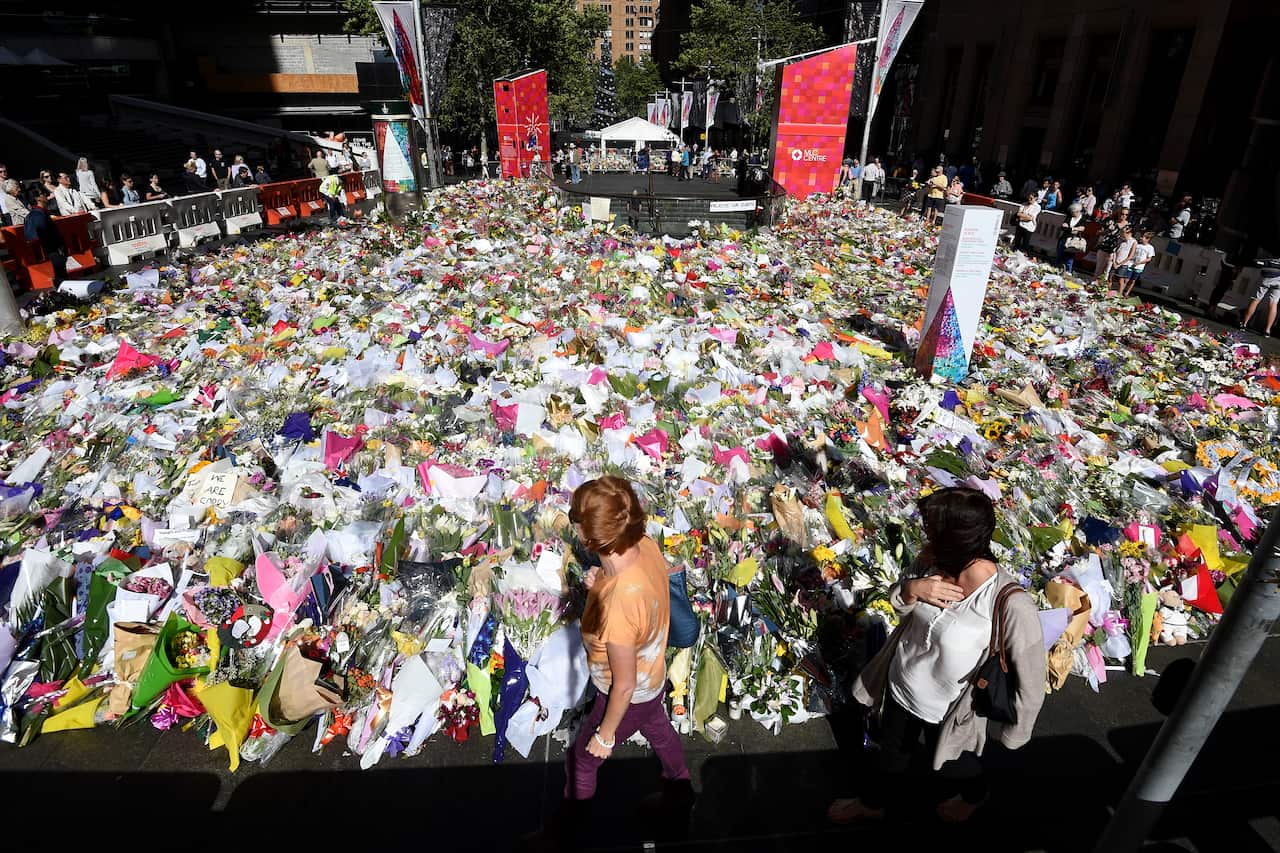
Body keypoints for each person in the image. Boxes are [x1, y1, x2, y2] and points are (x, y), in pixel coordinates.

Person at [827, 487, 1045, 825]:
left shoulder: (1009, 603)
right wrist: (914, 589)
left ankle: (975, 795)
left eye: (931, 531)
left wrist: (1016, 733)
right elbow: (899, 604)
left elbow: (1031, 678)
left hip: (950, 709)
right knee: (891, 756)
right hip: (902, 686)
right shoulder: (932, 563)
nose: (925, 537)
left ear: (956, 541)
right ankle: (872, 804)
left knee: (951, 765)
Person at [554, 476, 691, 836]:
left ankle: (571, 834)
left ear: (590, 538)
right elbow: (637, 592)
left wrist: (606, 735)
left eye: (576, 519)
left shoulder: (619, 605)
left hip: (630, 691)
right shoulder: (644, 545)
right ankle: (681, 790)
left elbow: (624, 685)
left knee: (582, 761)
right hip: (654, 672)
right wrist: (600, 582)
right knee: (658, 729)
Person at [24, 187, 68, 284]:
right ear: (37, 198)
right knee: (61, 280)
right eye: (42, 193)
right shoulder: (37, 215)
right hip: (52, 254)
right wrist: (58, 248)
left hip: (53, 254)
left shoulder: (40, 213)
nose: (46, 195)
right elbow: (43, 234)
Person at [1240, 255, 1280, 336]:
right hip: (1279, 279)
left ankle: (1244, 324)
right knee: (1273, 304)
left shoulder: (1269, 255)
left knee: (1255, 300)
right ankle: (1267, 331)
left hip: (1266, 277)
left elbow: (1257, 262)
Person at [1093, 209, 1128, 285]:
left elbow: (1127, 239)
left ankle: (1100, 288)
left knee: (1107, 272)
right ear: (1118, 214)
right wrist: (1108, 230)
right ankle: (1093, 286)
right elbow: (1099, 232)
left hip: (1115, 251)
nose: (1124, 216)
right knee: (1099, 269)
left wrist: (1122, 231)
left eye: (1126, 215)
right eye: (1122, 214)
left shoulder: (1128, 225)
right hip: (1104, 247)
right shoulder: (1110, 221)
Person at [1120, 231, 1155, 298]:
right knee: (1126, 279)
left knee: (1133, 280)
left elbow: (1149, 258)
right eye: (1141, 237)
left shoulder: (1150, 248)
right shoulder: (1137, 244)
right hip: (1131, 264)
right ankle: (1121, 291)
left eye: (1143, 237)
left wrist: (1139, 263)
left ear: (1148, 239)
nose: (1141, 238)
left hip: (1139, 267)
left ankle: (1127, 293)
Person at [1057, 203, 1087, 272]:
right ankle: (1058, 269)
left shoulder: (1083, 218)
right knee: (1060, 255)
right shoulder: (1069, 217)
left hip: (1073, 241)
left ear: (1078, 211)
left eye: (1073, 212)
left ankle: (1068, 272)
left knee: (1069, 258)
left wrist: (1071, 228)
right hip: (1064, 238)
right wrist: (1074, 228)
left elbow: (1082, 228)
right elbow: (1063, 226)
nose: (1071, 213)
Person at [1110, 225, 1138, 294]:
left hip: (1123, 264)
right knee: (1110, 278)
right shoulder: (1120, 239)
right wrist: (1114, 262)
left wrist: (1119, 264)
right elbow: (1115, 251)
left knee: (1120, 280)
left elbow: (1130, 256)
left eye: (1123, 232)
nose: (1121, 234)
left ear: (1129, 233)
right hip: (1116, 262)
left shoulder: (1133, 242)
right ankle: (1108, 292)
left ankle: (1119, 294)